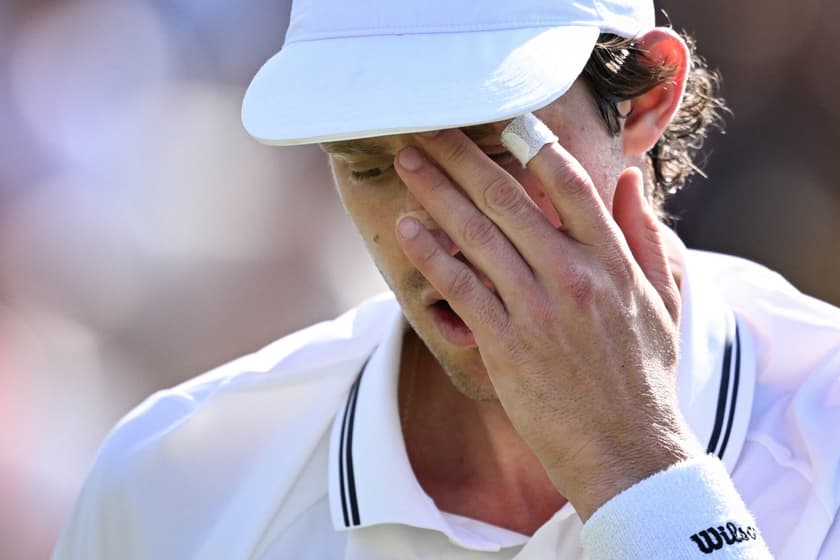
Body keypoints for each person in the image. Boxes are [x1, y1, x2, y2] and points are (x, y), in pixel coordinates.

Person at [54, 0, 840, 558]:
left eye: (495, 156)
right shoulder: (169, 481)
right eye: (366, 166)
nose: (425, 235)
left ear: (645, 99)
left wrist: (638, 466)